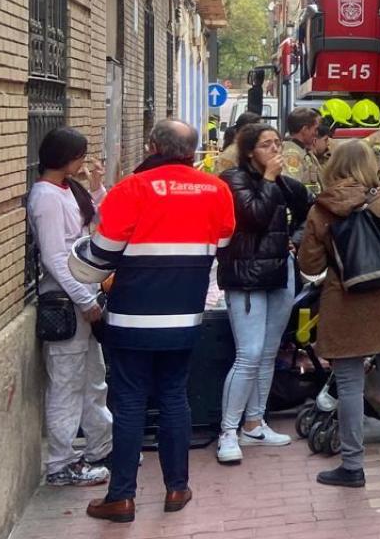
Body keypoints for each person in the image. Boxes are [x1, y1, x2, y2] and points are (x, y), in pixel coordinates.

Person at [72, 120, 235, 524]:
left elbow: (100, 255)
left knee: (128, 401)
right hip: (185, 314)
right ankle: (177, 487)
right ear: (192, 151)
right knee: (174, 397)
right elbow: (223, 243)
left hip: (132, 317)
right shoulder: (216, 189)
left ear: (152, 146)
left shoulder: (132, 188)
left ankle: (121, 497)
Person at [297, 141, 380, 486]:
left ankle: (352, 466)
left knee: (349, 386)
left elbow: (309, 264)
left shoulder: (323, 209)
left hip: (344, 304)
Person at [214, 123, 311, 465]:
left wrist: (295, 242)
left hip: (279, 271)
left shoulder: (281, 182)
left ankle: (254, 424)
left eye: (277, 143)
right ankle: (228, 430)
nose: (275, 149)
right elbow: (253, 216)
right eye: (267, 144)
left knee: (269, 351)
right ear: (249, 151)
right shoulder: (233, 180)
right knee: (249, 353)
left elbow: (307, 208)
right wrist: (270, 178)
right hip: (246, 275)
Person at [30, 127, 113, 488]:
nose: (84, 160)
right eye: (80, 155)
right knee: (66, 384)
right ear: (65, 157)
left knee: (93, 379)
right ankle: (61, 463)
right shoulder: (45, 196)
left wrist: (96, 186)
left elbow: (94, 223)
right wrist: (84, 299)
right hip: (67, 302)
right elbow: (54, 255)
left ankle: (100, 447)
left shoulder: (69, 189)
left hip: (86, 296)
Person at [282, 106, 327, 197]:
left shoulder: (303, 151)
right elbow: (292, 189)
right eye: (315, 129)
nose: (317, 133)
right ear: (305, 129)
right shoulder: (291, 154)